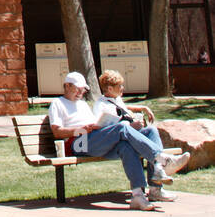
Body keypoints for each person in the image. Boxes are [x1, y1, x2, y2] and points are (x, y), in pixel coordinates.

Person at [48, 71, 179, 209]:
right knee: (122, 127)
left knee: (130, 143)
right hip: (78, 142)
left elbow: (96, 123)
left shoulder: (83, 104)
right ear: (67, 86)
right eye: (78, 89)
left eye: (83, 89)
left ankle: (139, 195)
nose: (81, 92)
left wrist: (99, 125)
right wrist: (81, 129)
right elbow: (57, 132)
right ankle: (160, 160)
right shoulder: (58, 103)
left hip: (94, 138)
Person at [92, 69, 189, 201]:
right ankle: (163, 161)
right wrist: (130, 126)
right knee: (130, 143)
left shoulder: (117, 99)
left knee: (152, 131)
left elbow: (124, 109)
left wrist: (142, 108)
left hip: (129, 136)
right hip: (115, 144)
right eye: (119, 86)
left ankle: (156, 186)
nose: (122, 88)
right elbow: (100, 127)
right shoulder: (100, 105)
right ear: (109, 88)